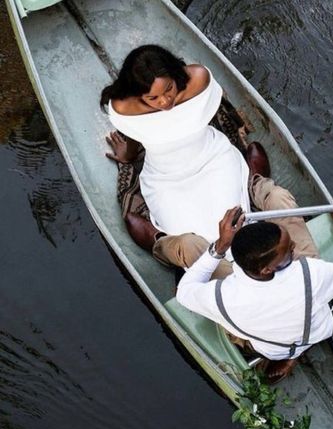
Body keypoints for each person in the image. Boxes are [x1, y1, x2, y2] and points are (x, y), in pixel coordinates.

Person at [101, 44, 312, 277]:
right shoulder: (125, 106)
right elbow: (133, 133)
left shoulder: (197, 78)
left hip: (212, 158)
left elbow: (194, 80)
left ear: (175, 75)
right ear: (139, 95)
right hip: (167, 177)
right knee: (191, 230)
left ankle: (252, 184)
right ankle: (228, 272)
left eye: (169, 88)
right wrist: (128, 156)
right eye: (153, 98)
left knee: (231, 212)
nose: (165, 101)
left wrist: (177, 104)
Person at [176, 199, 333, 383]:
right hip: (314, 333)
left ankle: (157, 239)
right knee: (278, 198)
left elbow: (184, 291)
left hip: (271, 349)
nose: (295, 247)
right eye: (289, 252)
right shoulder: (312, 273)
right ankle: (295, 354)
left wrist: (220, 247)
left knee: (187, 245)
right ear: (266, 269)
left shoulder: (222, 297)